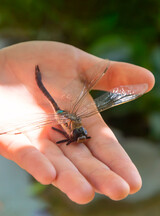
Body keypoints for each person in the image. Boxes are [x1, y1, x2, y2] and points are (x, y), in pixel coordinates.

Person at [0, 41, 155, 204]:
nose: (81, 135)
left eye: (81, 134)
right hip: (59, 112)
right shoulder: (68, 126)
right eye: (80, 134)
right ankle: (38, 79)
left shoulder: (77, 128)